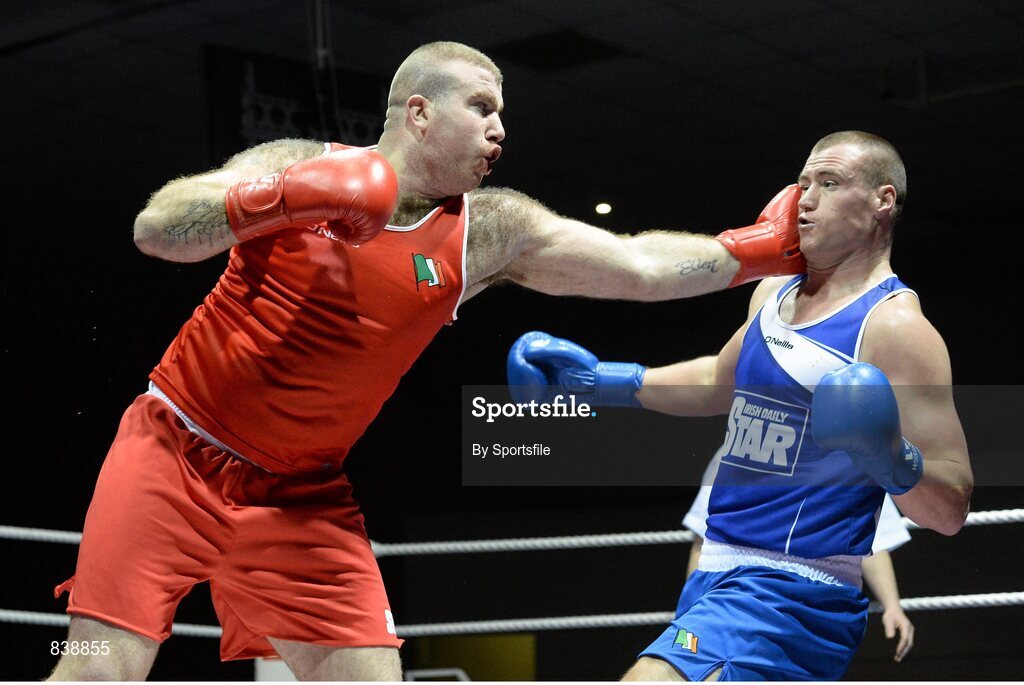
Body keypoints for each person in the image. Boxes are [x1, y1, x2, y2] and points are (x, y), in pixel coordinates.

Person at [49, 41, 806, 681]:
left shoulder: (489, 230)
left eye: (502, 113)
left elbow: (636, 266)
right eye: (482, 108)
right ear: (419, 112)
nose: (500, 130)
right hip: (172, 450)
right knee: (93, 664)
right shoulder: (296, 161)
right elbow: (157, 229)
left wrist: (750, 254)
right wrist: (280, 197)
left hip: (301, 493)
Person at [507, 130, 972, 680]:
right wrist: (598, 381)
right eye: (803, 184)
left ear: (882, 201)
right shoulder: (772, 293)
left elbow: (950, 509)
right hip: (717, 572)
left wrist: (890, 456)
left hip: (793, 591)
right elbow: (717, 380)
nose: (808, 199)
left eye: (830, 182)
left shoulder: (895, 327)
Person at [683, 463, 915, 663]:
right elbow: (703, 540)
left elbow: (872, 540)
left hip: (800, 605)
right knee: (674, 666)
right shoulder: (735, 446)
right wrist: (690, 610)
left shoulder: (853, 457)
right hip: (722, 599)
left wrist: (892, 605)